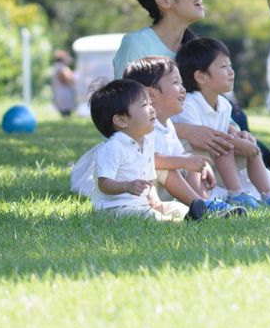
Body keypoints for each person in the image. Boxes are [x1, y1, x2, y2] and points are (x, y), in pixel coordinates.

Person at [112, 0, 240, 159]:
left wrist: (233, 129)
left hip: (197, 141)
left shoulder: (194, 48)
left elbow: (208, 101)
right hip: (149, 149)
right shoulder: (137, 44)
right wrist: (186, 131)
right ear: (164, 1)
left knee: (242, 134)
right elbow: (126, 110)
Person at [173, 37, 270, 209]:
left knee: (245, 143)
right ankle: (236, 194)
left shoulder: (224, 104)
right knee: (226, 145)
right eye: (223, 66)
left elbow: (225, 133)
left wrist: (239, 137)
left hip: (217, 157)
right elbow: (202, 140)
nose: (231, 72)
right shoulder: (189, 104)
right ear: (201, 77)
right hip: (194, 162)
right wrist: (235, 141)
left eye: (230, 66)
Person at [122, 56, 245, 217]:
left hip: (163, 192)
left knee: (190, 161)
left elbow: (181, 155)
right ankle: (200, 203)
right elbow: (149, 159)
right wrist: (186, 162)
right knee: (175, 165)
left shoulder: (167, 125)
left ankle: (204, 202)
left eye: (181, 83)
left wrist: (198, 164)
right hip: (142, 194)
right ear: (151, 95)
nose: (183, 89)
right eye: (175, 83)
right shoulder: (143, 128)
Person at [88, 78, 206, 221]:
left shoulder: (147, 141)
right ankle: (176, 223)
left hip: (140, 205)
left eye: (151, 103)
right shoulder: (113, 147)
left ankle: (193, 212)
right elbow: (104, 184)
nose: (152, 109)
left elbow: (148, 178)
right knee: (149, 216)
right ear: (121, 120)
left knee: (174, 207)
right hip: (113, 208)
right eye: (144, 105)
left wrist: (153, 199)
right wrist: (126, 186)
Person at [51, 50, 76, 117]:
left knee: (66, 113)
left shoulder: (60, 67)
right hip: (63, 95)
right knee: (66, 114)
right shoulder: (60, 68)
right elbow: (67, 80)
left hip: (62, 94)